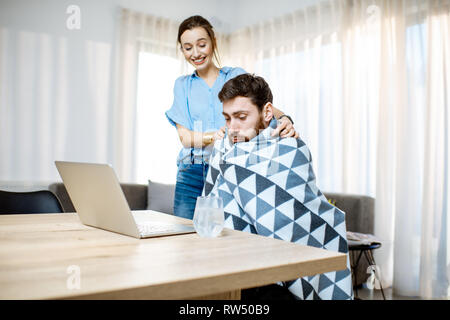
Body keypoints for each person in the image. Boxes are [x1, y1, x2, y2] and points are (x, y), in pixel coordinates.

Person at [203, 73, 353, 300]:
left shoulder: (290, 147)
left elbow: (295, 213)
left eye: (241, 117)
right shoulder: (223, 149)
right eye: (227, 118)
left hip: (281, 269)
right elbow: (211, 206)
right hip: (234, 262)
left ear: (266, 112)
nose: (232, 127)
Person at [165, 15, 298, 220]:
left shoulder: (234, 75)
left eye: (202, 44)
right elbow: (186, 138)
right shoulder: (182, 85)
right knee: (184, 236)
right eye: (188, 47)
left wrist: (286, 120)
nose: (196, 53)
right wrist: (218, 136)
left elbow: (263, 108)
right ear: (182, 50)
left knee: (225, 236)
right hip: (192, 173)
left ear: (213, 42)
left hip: (230, 167)